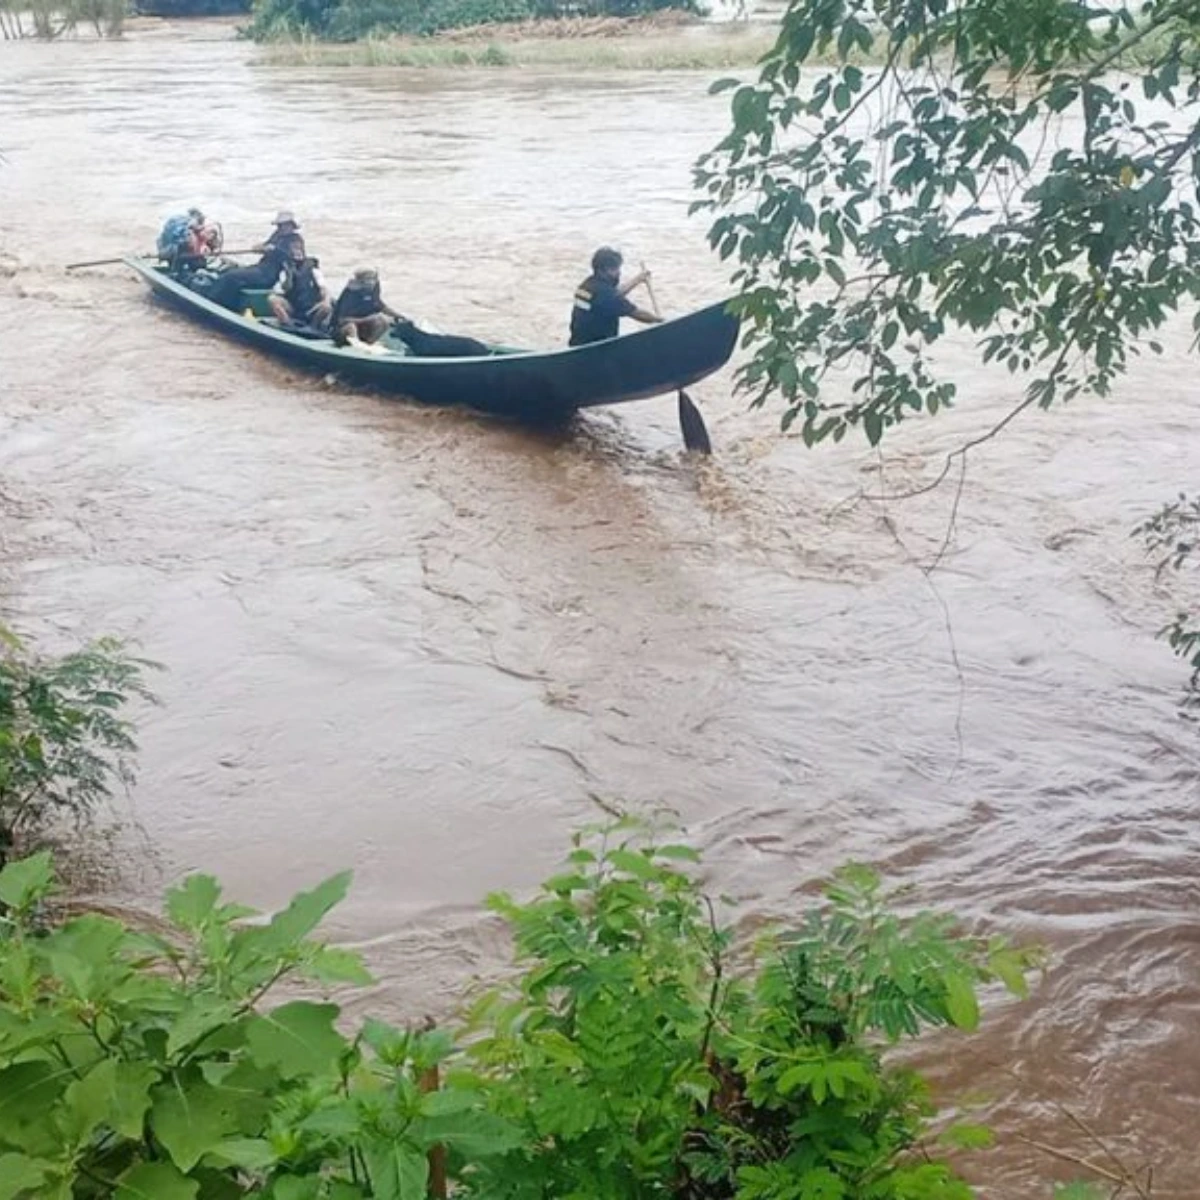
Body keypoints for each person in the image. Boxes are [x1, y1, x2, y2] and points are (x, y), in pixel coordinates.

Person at [208, 212, 303, 313]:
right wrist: (260, 247)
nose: (281, 227)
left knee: (231, 276)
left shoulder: (295, 240)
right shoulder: (277, 235)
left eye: (285, 225)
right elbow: (264, 246)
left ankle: (217, 304)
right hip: (260, 268)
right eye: (280, 225)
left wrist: (277, 250)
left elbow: (297, 258)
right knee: (228, 271)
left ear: (291, 225)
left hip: (268, 276)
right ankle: (216, 298)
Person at [568, 246, 662, 347]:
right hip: (597, 350)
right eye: (614, 269)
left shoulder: (587, 285)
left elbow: (614, 295)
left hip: (577, 345)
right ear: (601, 271)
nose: (619, 272)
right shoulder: (606, 296)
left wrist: (638, 279)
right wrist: (660, 321)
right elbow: (637, 314)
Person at [268, 237, 333, 333]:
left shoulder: (312, 268)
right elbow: (285, 288)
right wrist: (289, 274)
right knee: (273, 299)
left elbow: (323, 288)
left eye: (299, 248)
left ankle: (313, 328)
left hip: (311, 308)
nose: (297, 251)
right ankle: (287, 324)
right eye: (294, 248)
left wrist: (326, 301)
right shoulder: (286, 268)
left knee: (326, 307)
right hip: (294, 306)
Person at [332, 268, 403, 346]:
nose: (371, 282)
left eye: (373, 278)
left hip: (364, 328)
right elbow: (342, 320)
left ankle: (369, 344)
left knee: (384, 321)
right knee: (351, 327)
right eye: (368, 279)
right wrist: (367, 320)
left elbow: (381, 306)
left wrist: (399, 316)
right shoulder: (351, 294)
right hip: (343, 328)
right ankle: (355, 347)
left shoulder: (373, 290)